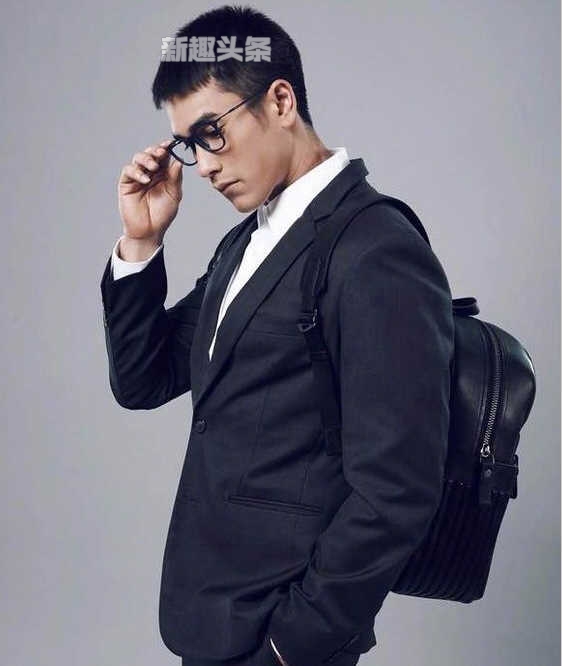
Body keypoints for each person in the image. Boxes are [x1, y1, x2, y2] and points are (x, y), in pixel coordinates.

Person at [100, 5, 454, 666]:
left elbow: (397, 488)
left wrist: (292, 644)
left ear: (281, 101)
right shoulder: (246, 243)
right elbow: (143, 380)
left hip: (282, 637)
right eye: (188, 144)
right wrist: (141, 241)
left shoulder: (376, 249)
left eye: (212, 132)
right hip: (210, 617)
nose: (203, 166)